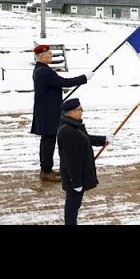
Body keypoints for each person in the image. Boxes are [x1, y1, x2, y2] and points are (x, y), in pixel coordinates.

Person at [31, 44, 93, 182]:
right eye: (49, 54)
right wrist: (84, 78)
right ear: (41, 57)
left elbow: (57, 84)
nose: (51, 56)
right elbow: (63, 82)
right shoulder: (43, 71)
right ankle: (46, 171)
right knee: (48, 141)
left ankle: (46, 169)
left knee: (48, 140)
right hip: (48, 112)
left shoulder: (42, 69)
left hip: (47, 110)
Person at [57, 98, 114, 225]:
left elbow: (85, 139)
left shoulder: (73, 125)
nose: (82, 111)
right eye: (79, 109)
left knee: (74, 205)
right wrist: (76, 182)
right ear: (71, 112)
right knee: (72, 206)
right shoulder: (68, 131)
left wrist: (104, 139)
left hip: (77, 176)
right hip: (74, 178)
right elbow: (71, 161)